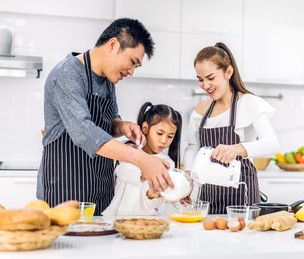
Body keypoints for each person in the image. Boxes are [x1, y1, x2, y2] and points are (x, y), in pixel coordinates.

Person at [37, 18, 174, 215]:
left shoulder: (108, 79)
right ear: (113, 45)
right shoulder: (67, 75)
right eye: (132, 62)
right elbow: (84, 132)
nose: (132, 72)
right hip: (63, 191)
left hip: (100, 191)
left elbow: (109, 121)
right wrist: (141, 159)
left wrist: (121, 126)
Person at [184, 42, 279, 214]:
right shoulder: (200, 110)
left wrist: (237, 148)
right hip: (208, 198)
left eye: (210, 78)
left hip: (242, 198)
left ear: (228, 72)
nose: (205, 85)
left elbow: (272, 144)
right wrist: (188, 179)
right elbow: (192, 147)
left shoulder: (248, 103)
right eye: (200, 79)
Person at [102, 102, 182, 216]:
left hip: (147, 220)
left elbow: (154, 203)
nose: (164, 140)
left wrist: (152, 195)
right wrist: (149, 169)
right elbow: (121, 171)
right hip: (117, 216)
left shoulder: (168, 163)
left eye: (170, 136)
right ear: (145, 128)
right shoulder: (128, 149)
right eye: (159, 133)